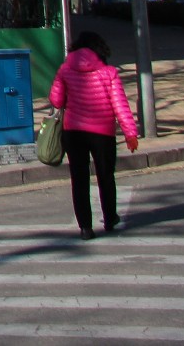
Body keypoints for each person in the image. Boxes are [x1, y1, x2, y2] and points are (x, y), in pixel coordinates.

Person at [48, 30, 139, 239]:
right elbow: (120, 105)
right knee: (105, 176)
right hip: (102, 133)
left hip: (73, 132)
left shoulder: (65, 69)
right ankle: (109, 219)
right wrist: (130, 134)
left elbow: (56, 100)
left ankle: (85, 227)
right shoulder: (109, 72)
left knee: (79, 179)